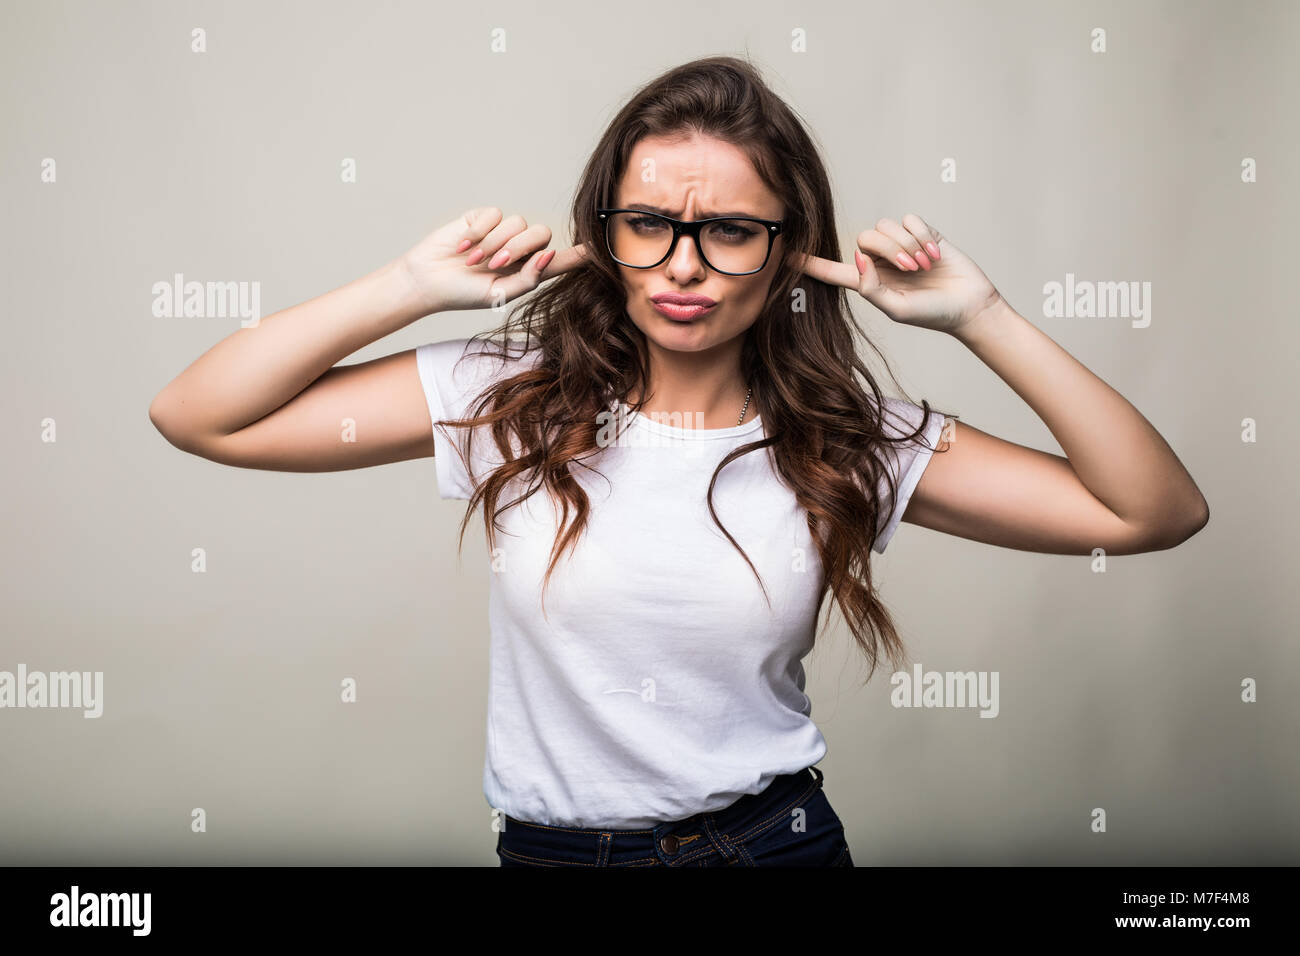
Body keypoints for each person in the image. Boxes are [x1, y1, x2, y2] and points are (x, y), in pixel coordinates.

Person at [148, 56, 1209, 867]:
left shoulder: (847, 437)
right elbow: (200, 415)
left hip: (769, 846)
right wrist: (410, 284)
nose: (684, 267)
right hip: (552, 852)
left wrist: (982, 316)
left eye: (730, 231)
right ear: (604, 232)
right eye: (649, 223)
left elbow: (1153, 510)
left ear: (788, 247)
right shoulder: (506, 396)